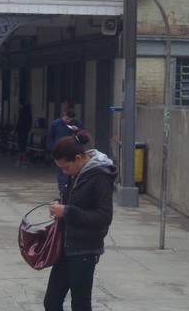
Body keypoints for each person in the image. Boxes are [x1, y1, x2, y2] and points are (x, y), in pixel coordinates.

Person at [45, 131, 118, 311]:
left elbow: (104, 217)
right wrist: (59, 205)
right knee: (52, 302)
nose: (64, 172)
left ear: (79, 158)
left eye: (66, 167)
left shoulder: (100, 176)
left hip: (85, 248)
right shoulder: (75, 173)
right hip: (66, 245)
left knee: (80, 304)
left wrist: (68, 211)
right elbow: (74, 202)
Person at [47, 109, 84, 194]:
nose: (68, 121)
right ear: (64, 115)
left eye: (70, 120)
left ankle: (70, 189)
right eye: (66, 118)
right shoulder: (56, 123)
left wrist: (77, 130)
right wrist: (51, 148)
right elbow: (51, 135)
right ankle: (62, 190)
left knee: (72, 170)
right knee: (61, 170)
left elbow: (84, 134)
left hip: (72, 150)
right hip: (60, 149)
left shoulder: (76, 123)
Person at [14, 97, 32, 168]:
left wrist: (16, 128)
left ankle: (21, 161)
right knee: (23, 146)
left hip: (21, 130)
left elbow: (20, 122)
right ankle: (22, 161)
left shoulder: (22, 111)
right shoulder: (28, 111)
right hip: (25, 130)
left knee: (21, 146)